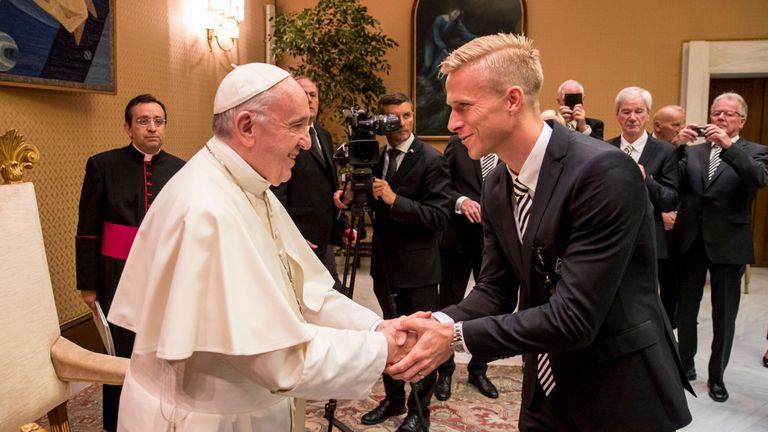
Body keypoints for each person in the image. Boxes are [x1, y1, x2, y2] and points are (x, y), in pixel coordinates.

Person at [387, 33, 693, 431]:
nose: (451, 123)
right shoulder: (497, 183)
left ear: (512, 100)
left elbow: (574, 318)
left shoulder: (602, 172)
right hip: (545, 389)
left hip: (618, 390)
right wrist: (437, 322)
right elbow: (494, 289)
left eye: (463, 107)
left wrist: (454, 337)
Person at [106, 63, 411, 431]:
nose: (306, 140)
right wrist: (385, 349)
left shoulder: (250, 186)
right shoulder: (208, 210)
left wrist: (377, 327)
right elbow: (280, 360)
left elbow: (307, 291)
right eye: (296, 126)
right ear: (247, 126)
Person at [75, 93, 184, 432]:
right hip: (116, 273)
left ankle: (165, 419)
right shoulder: (102, 165)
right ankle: (117, 423)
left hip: (165, 273)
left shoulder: (181, 169)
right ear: (128, 127)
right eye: (143, 121)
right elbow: (88, 227)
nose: (152, 128)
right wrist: (88, 284)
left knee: (166, 351)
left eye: (158, 121)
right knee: (120, 355)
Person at [358, 92, 451, 432]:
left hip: (419, 269)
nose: (398, 123)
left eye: (405, 116)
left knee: (420, 339)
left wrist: (396, 200)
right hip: (384, 264)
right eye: (391, 117)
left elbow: (439, 217)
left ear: (413, 119)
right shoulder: (374, 157)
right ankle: (394, 398)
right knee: (389, 333)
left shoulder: (431, 159)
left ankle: (419, 410)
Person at [668, 92, 768, 402]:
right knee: (686, 311)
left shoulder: (756, 152)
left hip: (728, 244)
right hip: (691, 242)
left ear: (742, 120)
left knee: (724, 315)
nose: (720, 118)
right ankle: (685, 366)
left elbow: (757, 180)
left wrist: (728, 146)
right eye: (716, 113)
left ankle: (717, 377)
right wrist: (676, 147)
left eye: (727, 114)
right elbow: (674, 182)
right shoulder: (694, 153)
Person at [435, 134, 498, 401]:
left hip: (495, 243)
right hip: (458, 240)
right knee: (450, 304)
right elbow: (441, 187)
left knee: (492, 307)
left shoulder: (504, 144)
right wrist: (461, 202)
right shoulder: (458, 144)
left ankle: (479, 369)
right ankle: (445, 370)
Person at [607, 87, 679, 310]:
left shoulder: (666, 152)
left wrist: (646, 178)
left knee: (647, 306)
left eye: (639, 111)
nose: (632, 118)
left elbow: (670, 200)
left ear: (648, 115)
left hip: (649, 240)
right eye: (626, 112)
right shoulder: (605, 149)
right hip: (611, 239)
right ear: (618, 115)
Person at [272, 76, 345, 291]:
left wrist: (340, 227)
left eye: (313, 95)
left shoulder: (324, 135)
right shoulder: (284, 135)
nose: (309, 99)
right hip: (300, 236)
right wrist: (289, 235)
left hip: (324, 235)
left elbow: (326, 184)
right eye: (303, 94)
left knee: (332, 292)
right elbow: (277, 191)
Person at [652, 104, 688, 325]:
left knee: (672, 292)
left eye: (683, 124)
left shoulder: (686, 153)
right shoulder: (647, 149)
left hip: (679, 232)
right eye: (676, 124)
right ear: (657, 126)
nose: (681, 128)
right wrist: (660, 214)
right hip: (653, 228)